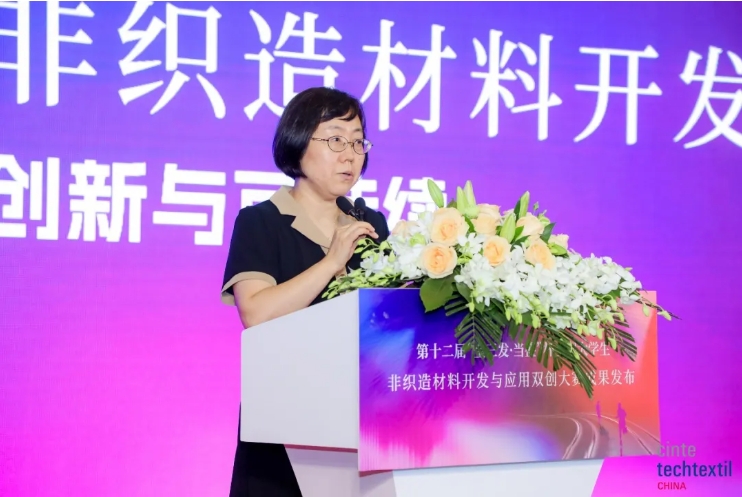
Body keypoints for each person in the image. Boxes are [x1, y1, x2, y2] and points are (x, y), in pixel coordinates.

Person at [220, 86, 390, 496]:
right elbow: (257, 313)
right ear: (298, 142)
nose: (350, 155)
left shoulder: (371, 225)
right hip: (284, 422)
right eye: (335, 139)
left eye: (358, 142)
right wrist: (331, 262)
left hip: (362, 422)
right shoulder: (261, 222)